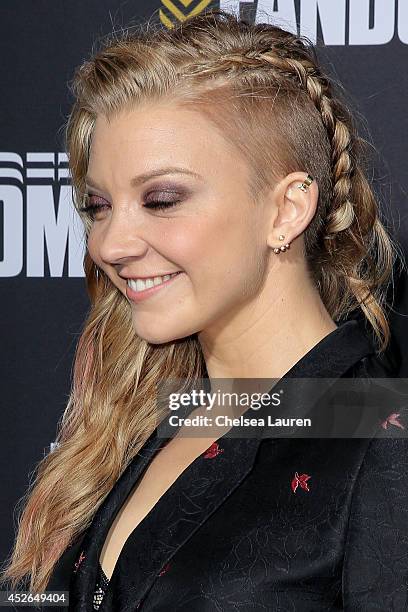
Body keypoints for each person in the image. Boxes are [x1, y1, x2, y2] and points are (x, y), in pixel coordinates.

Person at [2, 8, 408, 611]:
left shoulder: (382, 436)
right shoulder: (131, 422)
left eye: (161, 199)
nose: (109, 245)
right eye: (98, 205)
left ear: (286, 211)